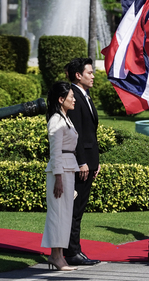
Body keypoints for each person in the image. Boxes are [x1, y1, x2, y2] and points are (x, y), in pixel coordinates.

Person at [63, 58, 101, 266]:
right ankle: (72, 252)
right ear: (78, 75)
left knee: (79, 208)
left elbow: (90, 132)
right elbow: (75, 132)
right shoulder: (73, 96)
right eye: (89, 72)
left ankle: (74, 250)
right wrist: (82, 161)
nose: (93, 76)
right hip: (81, 163)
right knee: (75, 208)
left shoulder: (84, 96)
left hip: (90, 161)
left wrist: (96, 160)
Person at [41, 81, 79, 271]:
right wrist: (58, 178)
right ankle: (56, 257)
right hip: (60, 172)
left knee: (64, 216)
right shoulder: (56, 120)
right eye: (70, 96)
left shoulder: (66, 119)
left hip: (67, 170)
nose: (74, 99)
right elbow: (55, 152)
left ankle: (59, 256)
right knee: (57, 214)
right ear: (61, 99)